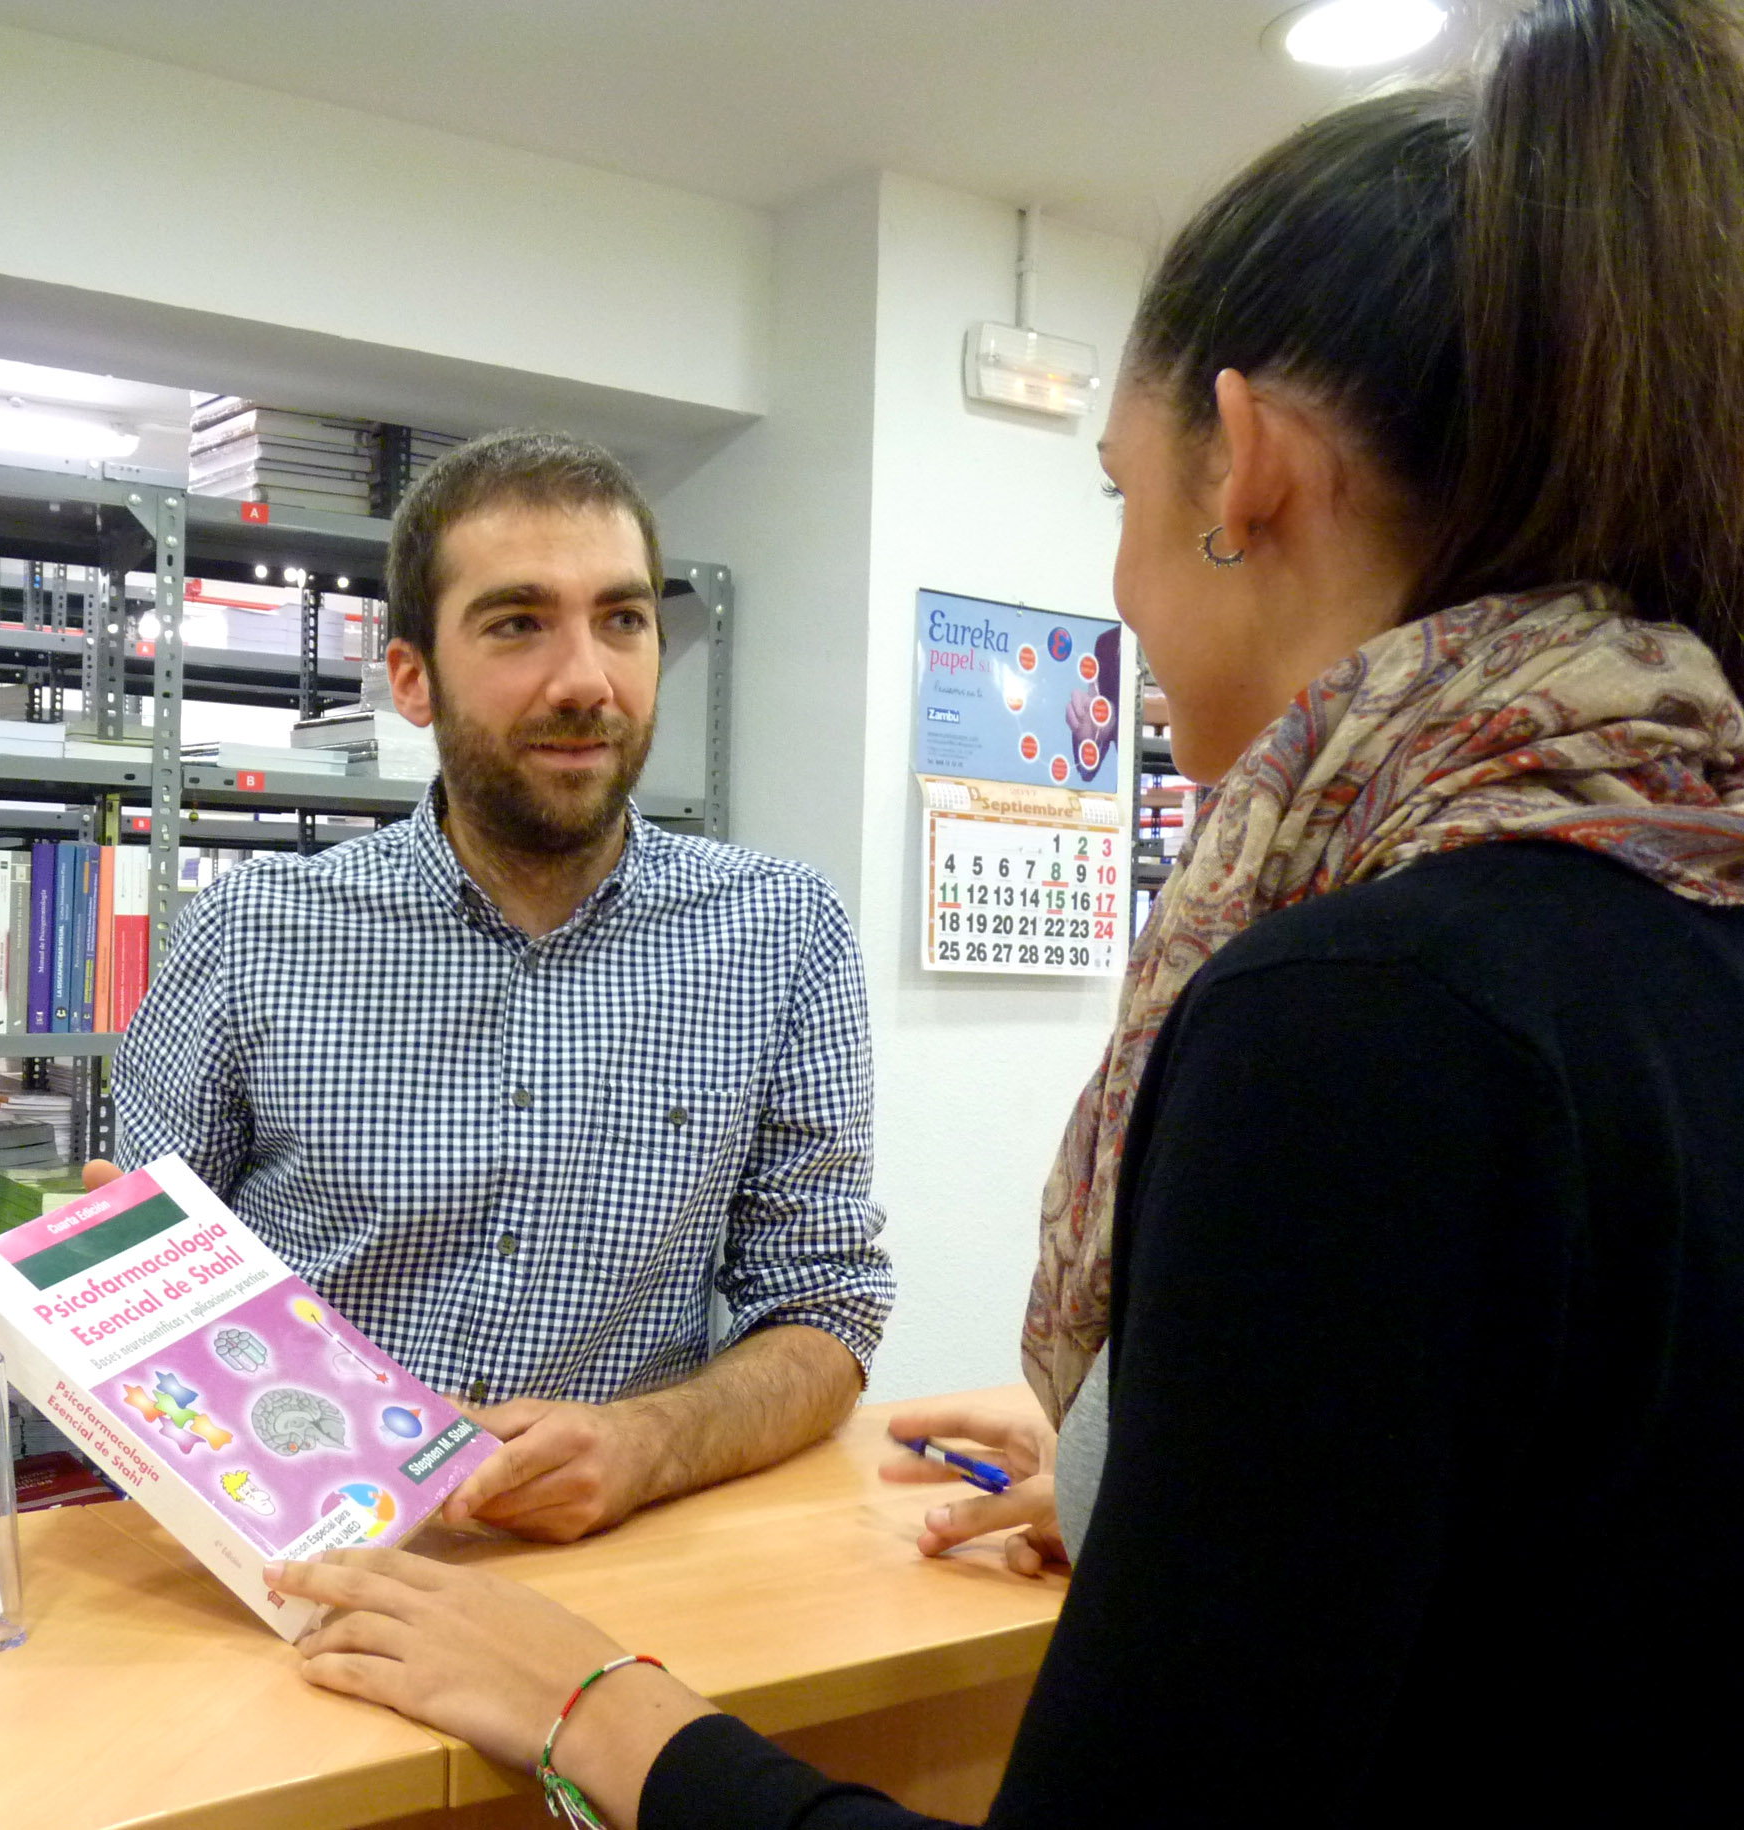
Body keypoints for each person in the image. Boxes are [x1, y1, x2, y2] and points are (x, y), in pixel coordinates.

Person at [260, 2, 1744, 1821]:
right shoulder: (1656, 913)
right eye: (515, 624)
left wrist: (595, 1705)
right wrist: (1154, 1493)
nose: (1114, 597)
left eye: (1116, 493)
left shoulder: (1363, 1017)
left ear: (1248, 466)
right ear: (408, 676)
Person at [107, 429, 894, 1543]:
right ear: (413, 679)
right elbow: (145, 1309)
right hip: (309, 1555)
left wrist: (649, 1445)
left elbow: (822, 1305)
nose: (587, 679)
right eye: (519, 623)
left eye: (622, 620)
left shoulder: (778, 932)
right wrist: (104, 1288)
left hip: (630, 1550)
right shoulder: (252, 935)